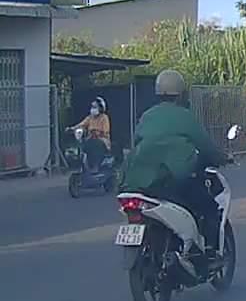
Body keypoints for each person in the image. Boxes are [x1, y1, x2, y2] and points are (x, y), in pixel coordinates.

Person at [121, 70, 230, 256]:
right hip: (173, 180)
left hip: (138, 183)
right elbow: (206, 146)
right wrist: (221, 157)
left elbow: (136, 142)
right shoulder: (185, 116)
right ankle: (211, 252)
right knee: (209, 207)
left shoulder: (147, 116)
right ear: (181, 93)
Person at [70, 97, 111, 170]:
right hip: (90, 139)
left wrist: (96, 132)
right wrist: (72, 128)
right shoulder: (90, 118)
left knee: (96, 145)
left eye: (95, 107)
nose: (93, 109)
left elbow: (105, 131)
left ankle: (96, 166)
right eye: (92, 107)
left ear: (100, 108)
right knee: (84, 146)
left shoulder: (104, 118)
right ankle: (85, 167)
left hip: (102, 140)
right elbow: (82, 124)